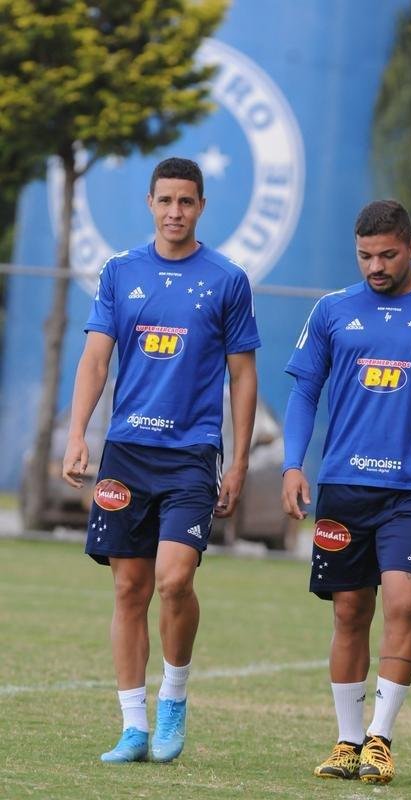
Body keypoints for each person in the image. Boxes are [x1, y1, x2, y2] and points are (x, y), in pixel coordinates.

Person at [63, 157, 260, 764]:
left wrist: (239, 461)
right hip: (126, 454)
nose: (176, 212)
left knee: (175, 581)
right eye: (166, 201)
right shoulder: (121, 272)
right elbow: (97, 359)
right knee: (129, 589)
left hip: (191, 455)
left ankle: (174, 696)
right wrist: (77, 436)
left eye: (187, 202)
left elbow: (243, 375)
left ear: (201, 207)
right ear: (150, 203)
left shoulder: (227, 279)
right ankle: (132, 725)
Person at [281, 199, 411, 784]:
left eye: (388, 254)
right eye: (366, 255)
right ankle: (347, 741)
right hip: (343, 487)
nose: (376, 265)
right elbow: (304, 392)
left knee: (407, 602)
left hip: (408, 490)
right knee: (350, 611)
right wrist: (294, 464)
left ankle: (380, 737)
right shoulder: (331, 311)